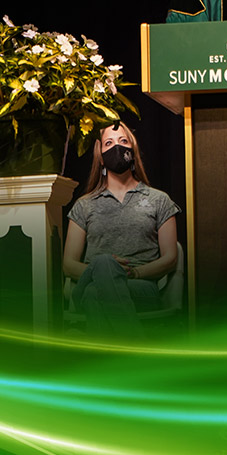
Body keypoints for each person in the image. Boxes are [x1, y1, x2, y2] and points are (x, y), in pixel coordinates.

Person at [60, 122, 181, 338]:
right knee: (104, 263)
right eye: (109, 143)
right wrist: (100, 268)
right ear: (100, 155)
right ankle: (136, 350)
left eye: (123, 141)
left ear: (132, 152)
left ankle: (106, 362)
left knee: (93, 294)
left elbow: (171, 258)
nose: (117, 147)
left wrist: (134, 272)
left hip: (140, 287)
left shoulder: (158, 200)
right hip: (90, 280)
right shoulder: (84, 205)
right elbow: (68, 265)